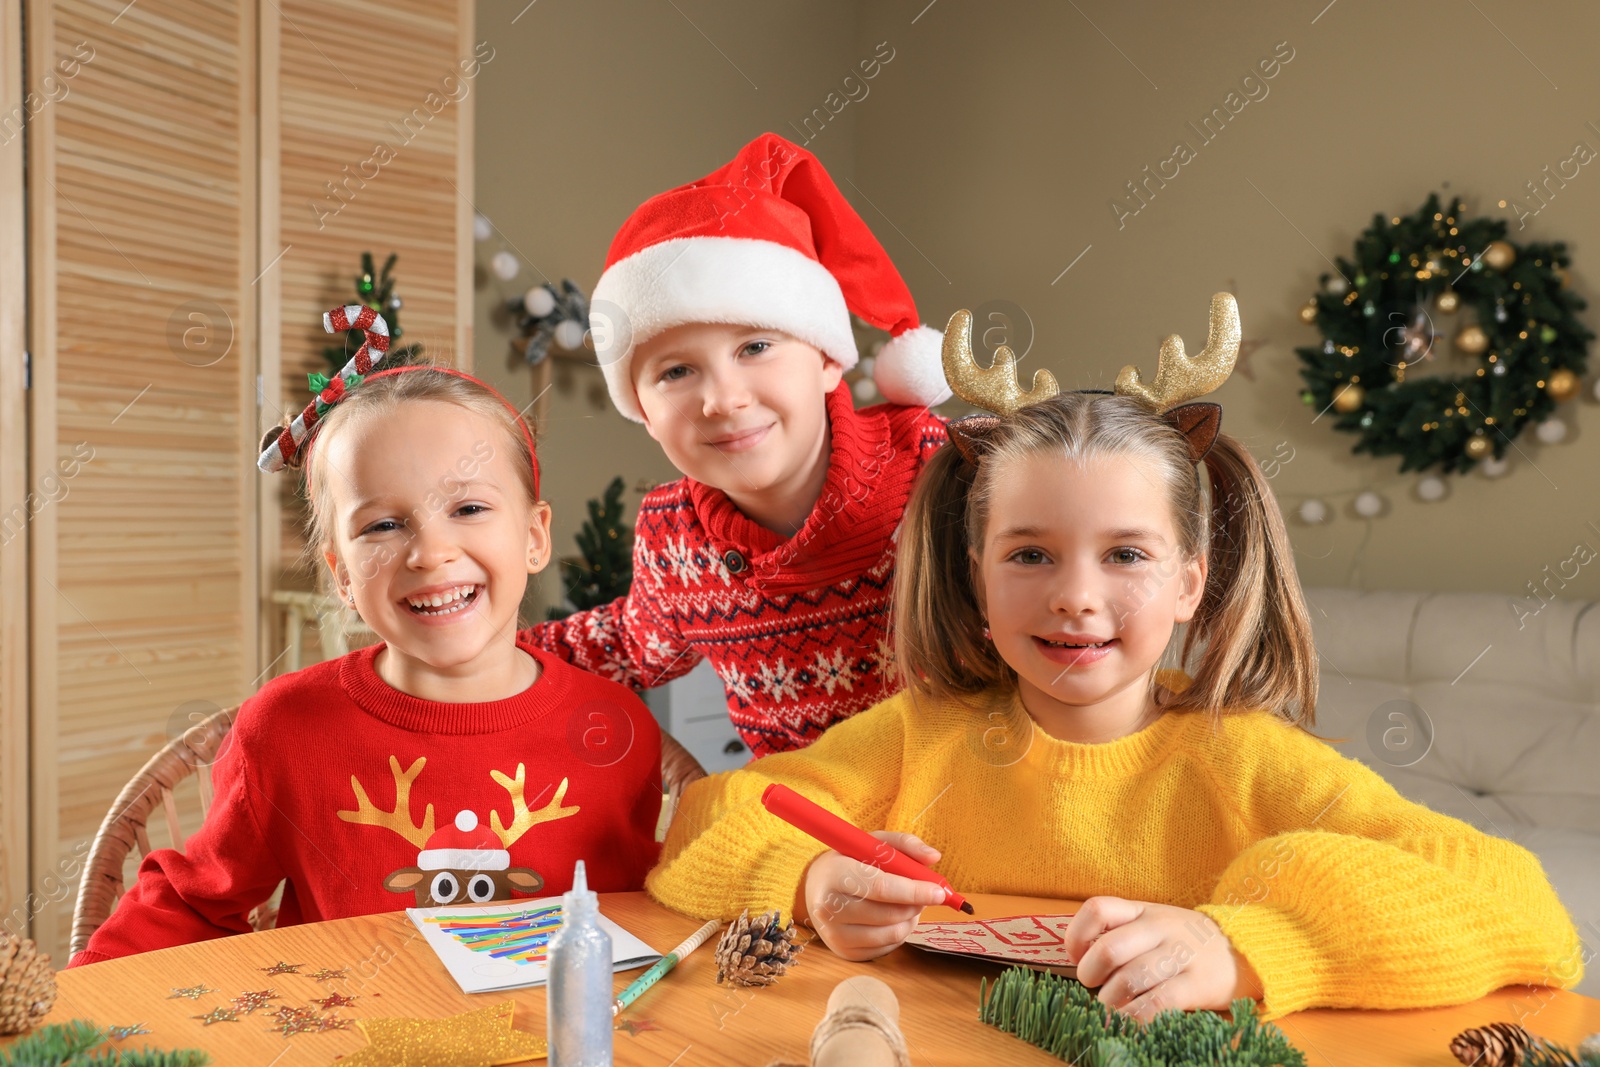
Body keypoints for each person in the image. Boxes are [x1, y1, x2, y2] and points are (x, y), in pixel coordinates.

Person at [645, 295, 1583, 1020]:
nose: (1075, 595)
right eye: (1029, 554)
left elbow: (1525, 909)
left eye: (1126, 554)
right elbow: (709, 823)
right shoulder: (917, 737)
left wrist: (1242, 947)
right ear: (975, 577)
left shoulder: (1241, 755)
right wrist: (809, 885)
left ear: (1189, 582)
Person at [70, 314, 661, 966]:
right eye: (384, 523)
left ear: (534, 537)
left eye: (467, 508)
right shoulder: (284, 729)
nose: (431, 553)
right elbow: (191, 905)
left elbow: (648, 922)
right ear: (343, 575)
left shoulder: (615, 731)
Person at [521, 133, 952, 777]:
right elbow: (626, 646)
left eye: (755, 348)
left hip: (969, 810)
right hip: (806, 835)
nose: (722, 399)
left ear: (829, 356)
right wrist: (480, 646)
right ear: (639, 407)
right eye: (675, 372)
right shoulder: (674, 540)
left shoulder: (939, 467)